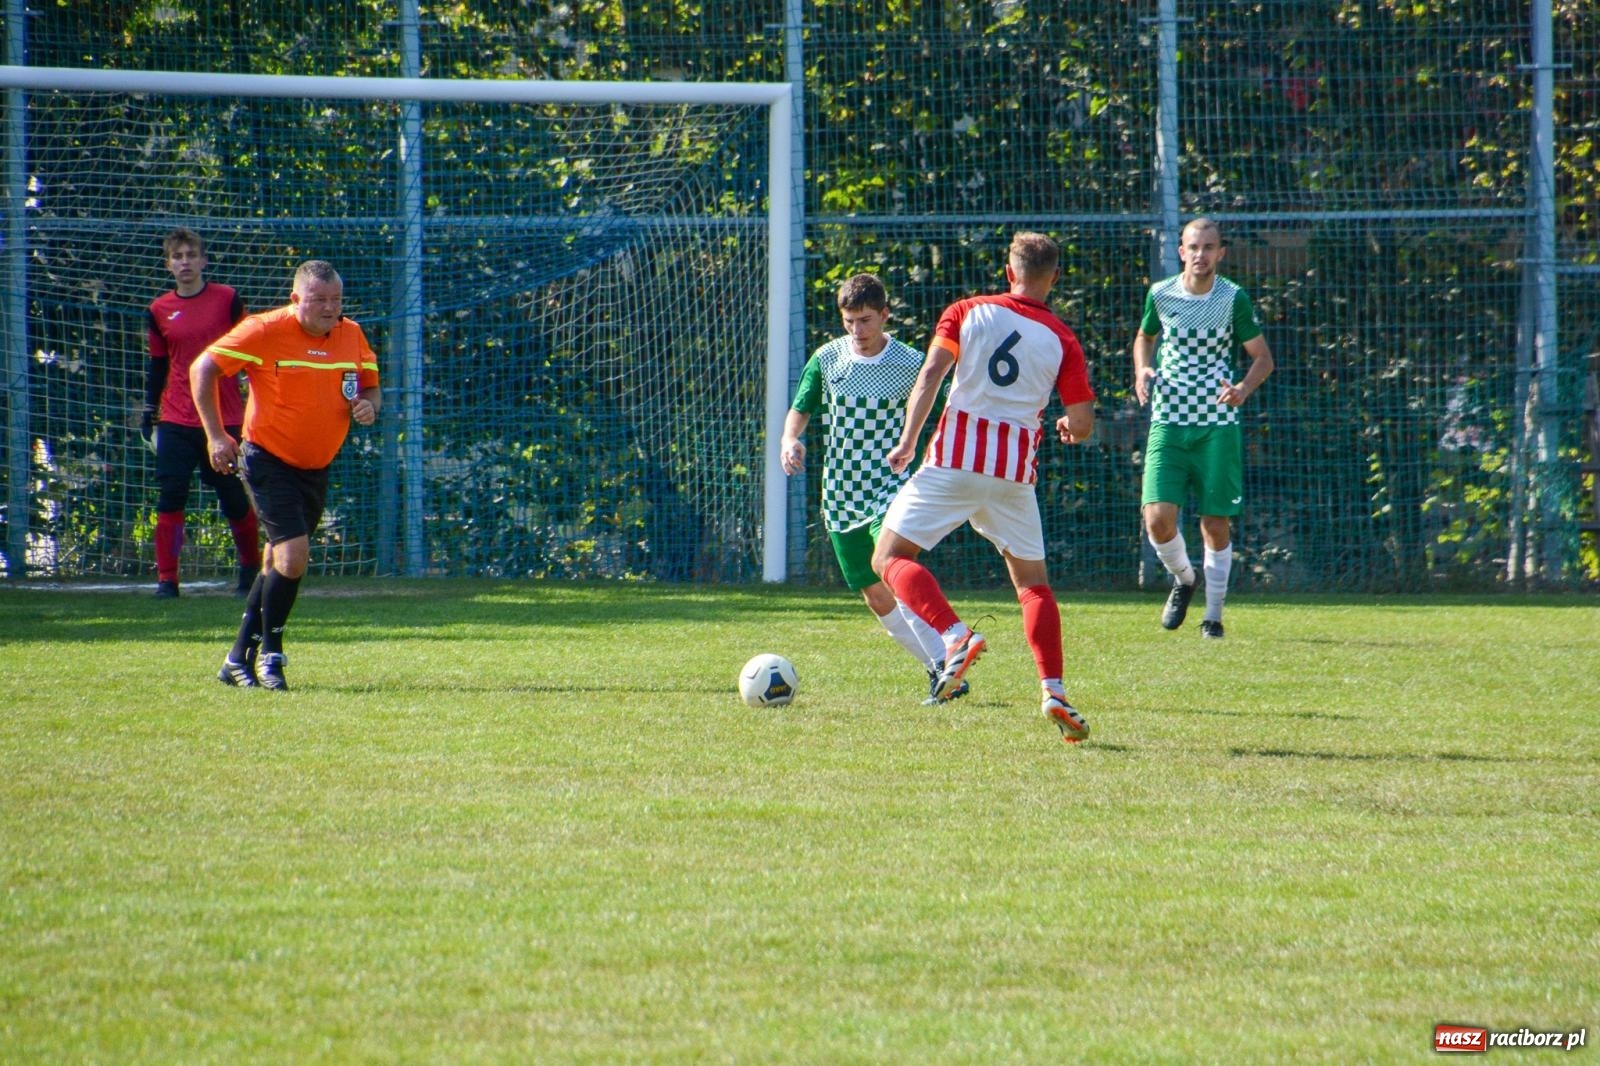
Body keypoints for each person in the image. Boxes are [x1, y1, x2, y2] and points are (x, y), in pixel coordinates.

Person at [871, 233, 1097, 743]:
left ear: (1008, 270)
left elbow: (931, 373)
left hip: (954, 460)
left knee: (888, 557)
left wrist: (908, 441)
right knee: (1033, 586)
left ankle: (955, 636)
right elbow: (1082, 421)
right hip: (1013, 474)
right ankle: (1054, 692)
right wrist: (1068, 428)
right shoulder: (1063, 338)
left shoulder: (967, 310)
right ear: (1053, 279)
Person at [190, 260, 380, 691]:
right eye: (319, 300)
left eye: (336, 300)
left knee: (278, 561)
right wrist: (217, 436)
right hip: (266, 457)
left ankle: (237, 658)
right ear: (296, 299)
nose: (329, 308)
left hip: (315, 467)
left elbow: (369, 386)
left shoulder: (352, 334)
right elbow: (203, 368)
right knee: (293, 556)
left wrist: (370, 406)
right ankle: (272, 656)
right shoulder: (264, 330)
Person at [780, 273, 966, 706]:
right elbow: (800, 408)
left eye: (865, 320)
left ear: (885, 315)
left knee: (893, 568)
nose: (857, 332)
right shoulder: (828, 359)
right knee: (872, 591)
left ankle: (949, 659)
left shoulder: (909, 363)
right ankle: (939, 666)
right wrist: (790, 440)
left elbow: (942, 416)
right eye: (848, 322)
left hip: (891, 485)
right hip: (841, 493)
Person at [1132, 217, 1274, 640]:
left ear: (1220, 253)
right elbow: (1144, 338)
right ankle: (1184, 578)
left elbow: (1262, 358)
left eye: (1209, 247)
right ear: (1181, 251)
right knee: (1157, 519)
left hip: (1216, 425)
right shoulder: (1161, 294)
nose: (1201, 254)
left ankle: (1213, 617)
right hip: (1170, 421)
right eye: (1193, 247)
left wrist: (1243, 389)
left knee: (1215, 523)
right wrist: (1143, 370)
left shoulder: (1233, 298)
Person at [141, 227, 260, 598]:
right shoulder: (158, 310)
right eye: (177, 257)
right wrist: (150, 410)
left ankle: (249, 569)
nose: (185, 262)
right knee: (171, 492)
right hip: (177, 417)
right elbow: (159, 365)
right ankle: (167, 580)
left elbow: (252, 349)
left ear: (204, 260)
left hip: (223, 417)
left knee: (232, 495)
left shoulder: (227, 300)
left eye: (191, 255)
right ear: (168, 265)